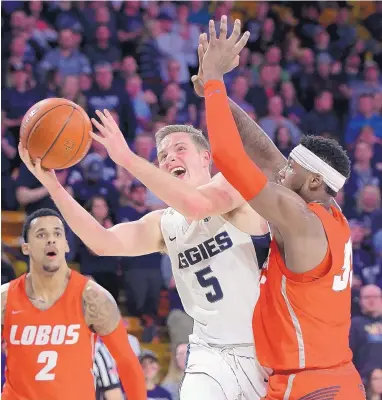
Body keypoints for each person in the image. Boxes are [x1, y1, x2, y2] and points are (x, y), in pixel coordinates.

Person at [19, 66, 271, 400]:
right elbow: (101, 242)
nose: (169, 159)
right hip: (210, 352)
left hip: (263, 346)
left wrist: (125, 158)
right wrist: (51, 183)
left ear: (206, 157)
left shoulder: (234, 187)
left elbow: (197, 205)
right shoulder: (164, 223)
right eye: (163, 156)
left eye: (180, 149)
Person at [197, 15, 365, 399]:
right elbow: (265, 154)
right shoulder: (321, 210)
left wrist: (214, 82)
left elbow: (227, 156)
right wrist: (214, 90)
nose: (282, 170)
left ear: (314, 182)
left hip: (312, 385)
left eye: (293, 168)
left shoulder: (300, 220)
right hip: (327, 378)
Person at [0, 208, 146, 400]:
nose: (51, 239)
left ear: (66, 245)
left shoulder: (93, 298)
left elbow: (127, 362)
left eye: (57, 234)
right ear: (26, 247)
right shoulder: (5, 298)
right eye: (41, 234)